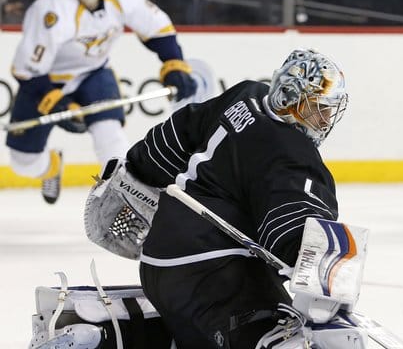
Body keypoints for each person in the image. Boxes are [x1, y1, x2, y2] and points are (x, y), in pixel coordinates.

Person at [103, 49, 349, 348]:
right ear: (290, 97)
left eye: (327, 110)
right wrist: (328, 282)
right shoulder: (292, 153)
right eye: (317, 107)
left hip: (158, 265)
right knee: (290, 340)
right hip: (213, 276)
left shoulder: (246, 96)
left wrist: (137, 166)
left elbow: (175, 135)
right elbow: (294, 232)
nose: (323, 119)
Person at [5, 0, 196, 204]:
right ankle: (52, 167)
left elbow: (157, 28)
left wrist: (174, 64)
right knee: (24, 162)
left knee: (110, 135)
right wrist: (56, 102)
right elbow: (26, 70)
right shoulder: (50, 8)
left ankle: (130, 200)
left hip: (93, 74)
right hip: (44, 83)